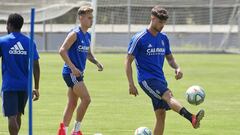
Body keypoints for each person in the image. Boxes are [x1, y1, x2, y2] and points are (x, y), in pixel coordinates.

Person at [125, 5, 204, 135]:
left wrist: (177, 68)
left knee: (161, 115)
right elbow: (128, 61)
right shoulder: (139, 38)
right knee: (168, 96)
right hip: (146, 79)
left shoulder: (163, 38)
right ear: (152, 18)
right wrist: (131, 84)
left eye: (164, 23)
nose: (162, 25)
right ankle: (192, 118)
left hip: (160, 79)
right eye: (160, 22)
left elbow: (170, 59)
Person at [59, 5, 103, 135]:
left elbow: (88, 54)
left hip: (77, 74)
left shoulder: (87, 36)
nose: (91, 20)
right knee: (87, 99)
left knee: (72, 103)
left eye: (92, 17)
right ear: (81, 18)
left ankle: (62, 131)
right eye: (89, 18)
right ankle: (76, 131)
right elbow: (62, 50)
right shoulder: (74, 34)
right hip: (70, 73)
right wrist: (73, 68)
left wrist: (96, 62)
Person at [0, 13, 40, 135]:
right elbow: (36, 66)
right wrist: (36, 87)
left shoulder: (3, 41)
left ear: (9, 25)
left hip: (9, 85)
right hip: (25, 86)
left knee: (11, 117)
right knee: (18, 114)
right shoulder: (29, 42)